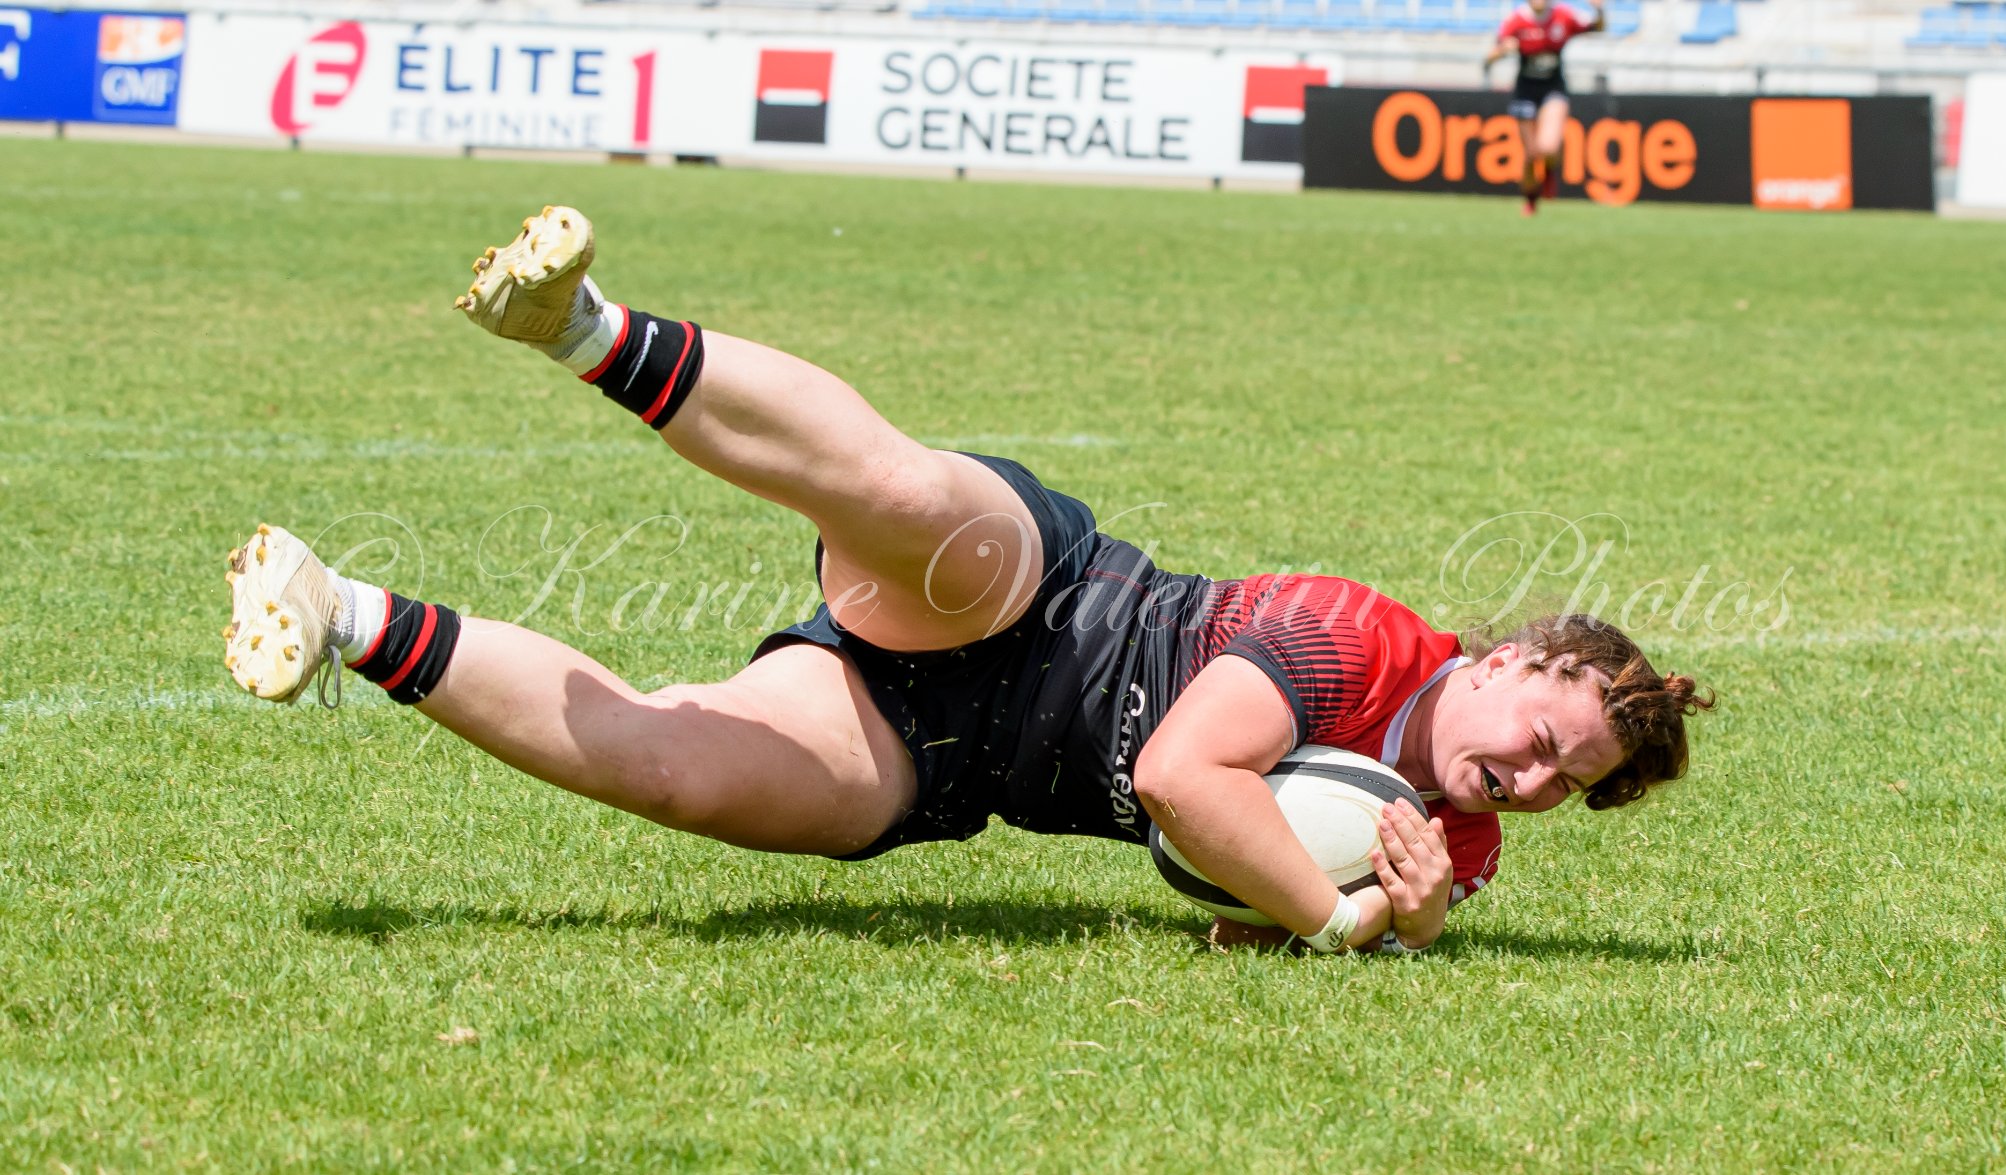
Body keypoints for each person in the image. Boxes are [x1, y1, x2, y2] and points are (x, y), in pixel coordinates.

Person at [219, 206, 1711, 956]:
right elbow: (1194, 780)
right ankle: (579, 323)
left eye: (1559, 784)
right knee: (905, 495)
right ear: (1512, 655)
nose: (1522, 777)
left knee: (670, 761)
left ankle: (336, 607)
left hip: (950, 758)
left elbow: (1224, 901)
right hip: (1041, 597)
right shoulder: (1356, 634)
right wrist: (1352, 928)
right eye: (1542, 733)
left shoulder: (1455, 841)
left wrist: (1415, 916)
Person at [1485, 0, 1607, 216]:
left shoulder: (1563, 16)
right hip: (1525, 91)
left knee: (1548, 146)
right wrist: (1504, 50)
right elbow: (1490, 57)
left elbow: (1597, 28)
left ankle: (1549, 170)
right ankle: (1531, 199)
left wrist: (1599, 10)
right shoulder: (1515, 20)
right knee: (1531, 153)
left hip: (1553, 88)